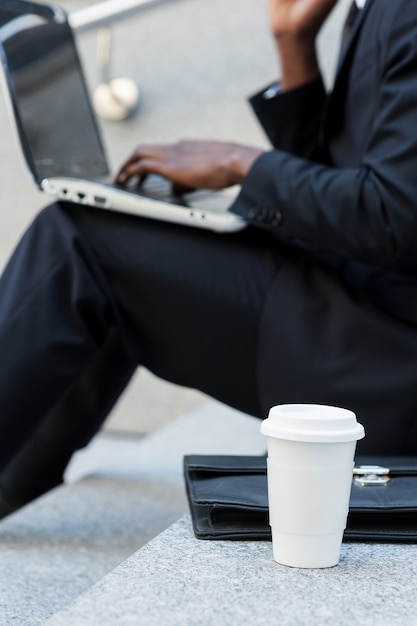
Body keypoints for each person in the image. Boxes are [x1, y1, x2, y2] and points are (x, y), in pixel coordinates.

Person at [1, 0, 417, 518]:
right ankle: (15, 481)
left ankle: (15, 479)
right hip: (357, 300)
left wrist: (239, 162)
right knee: (118, 238)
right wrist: (295, 45)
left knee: (77, 239)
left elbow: (391, 216)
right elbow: (348, 176)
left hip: (380, 351)